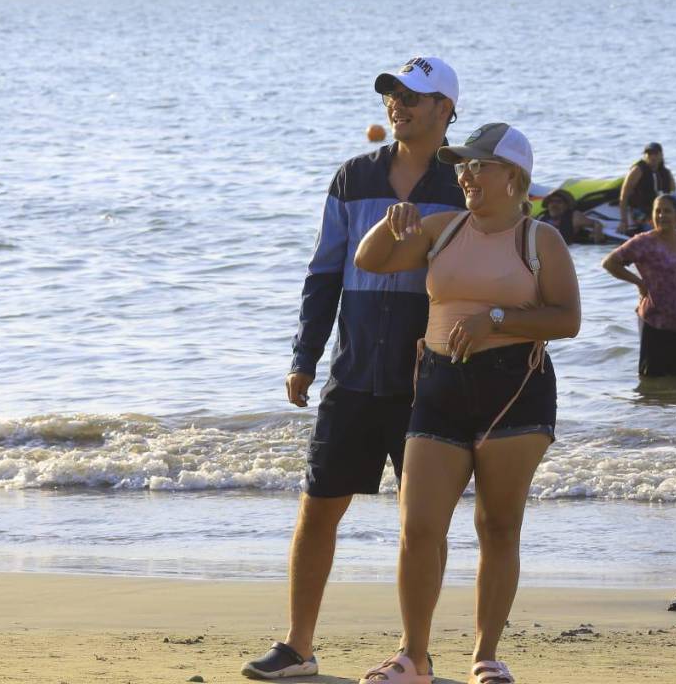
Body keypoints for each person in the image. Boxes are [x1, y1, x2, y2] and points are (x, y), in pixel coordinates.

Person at [242, 57, 466, 680]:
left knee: (420, 525)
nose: (398, 104)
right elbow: (324, 272)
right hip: (354, 372)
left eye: (413, 96)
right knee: (318, 508)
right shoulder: (352, 177)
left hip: (430, 380)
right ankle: (297, 646)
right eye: (393, 94)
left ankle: (414, 655)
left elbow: (483, 275)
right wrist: (303, 358)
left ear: (446, 109)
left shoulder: (463, 186)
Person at [354, 122, 581, 684]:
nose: (466, 175)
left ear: (515, 178)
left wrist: (496, 320)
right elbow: (370, 260)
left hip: (515, 389)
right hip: (438, 385)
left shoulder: (539, 240)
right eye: (462, 166)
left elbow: (567, 320)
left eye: (479, 166)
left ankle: (486, 655)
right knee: (419, 527)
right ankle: (414, 656)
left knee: (498, 526)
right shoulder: (443, 227)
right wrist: (391, 223)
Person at [602, 194, 676, 376]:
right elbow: (610, 263)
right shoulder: (644, 242)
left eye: (667, 211)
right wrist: (639, 283)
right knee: (653, 383)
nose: (662, 215)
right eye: (658, 211)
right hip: (656, 321)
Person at [618, 143, 676, 234]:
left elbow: (674, 197)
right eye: (649, 154)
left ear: (661, 155)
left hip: (662, 209)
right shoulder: (637, 170)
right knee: (659, 226)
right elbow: (624, 196)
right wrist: (623, 221)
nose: (652, 157)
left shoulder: (666, 173)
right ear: (645, 156)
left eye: (655, 154)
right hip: (641, 212)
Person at [536, 188, 604, 244]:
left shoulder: (574, 217)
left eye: (559, 202)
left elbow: (597, 224)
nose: (554, 205)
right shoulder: (541, 218)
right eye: (551, 201)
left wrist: (597, 240)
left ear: (567, 205)